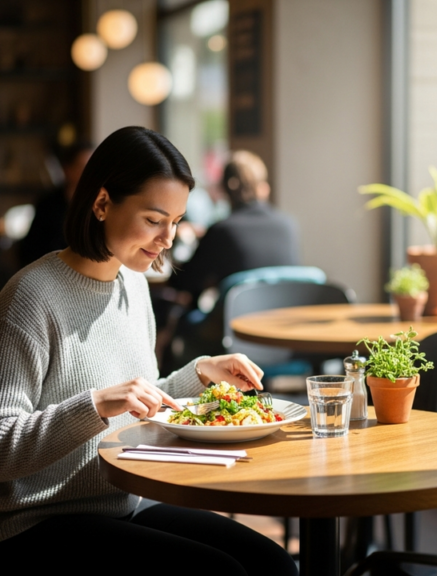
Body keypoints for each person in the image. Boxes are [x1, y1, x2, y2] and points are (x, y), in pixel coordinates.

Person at [0, 126, 297, 576]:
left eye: (176, 221)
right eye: (155, 220)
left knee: (273, 564)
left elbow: (139, 397)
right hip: (40, 521)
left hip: (124, 502)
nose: (168, 239)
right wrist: (95, 405)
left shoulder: (133, 286)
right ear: (101, 204)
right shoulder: (31, 297)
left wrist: (201, 373)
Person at [168, 150, 300, 306]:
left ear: (225, 189)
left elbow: (182, 282)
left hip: (235, 325)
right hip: (281, 322)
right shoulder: (288, 225)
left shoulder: (222, 231)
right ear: (264, 187)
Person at [17, 140, 93, 268]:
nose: (89, 174)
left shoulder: (100, 204)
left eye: (92, 168)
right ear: (67, 169)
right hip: (51, 272)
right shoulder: (47, 204)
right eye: (83, 167)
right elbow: (30, 249)